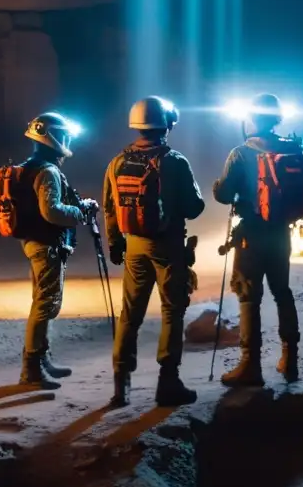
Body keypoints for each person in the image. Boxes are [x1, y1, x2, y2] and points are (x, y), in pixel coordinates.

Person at [103, 96, 205, 407]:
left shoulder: (118, 161)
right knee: (172, 312)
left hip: (133, 245)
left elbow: (109, 206)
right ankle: (168, 383)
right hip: (167, 245)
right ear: (166, 124)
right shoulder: (173, 161)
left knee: (129, 315)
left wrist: (116, 244)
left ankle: (121, 388)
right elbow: (194, 206)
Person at [212, 93, 303, 387]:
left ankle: (250, 365)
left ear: (252, 119)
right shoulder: (293, 149)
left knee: (248, 296)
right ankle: (290, 359)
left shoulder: (241, 153)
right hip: (282, 233)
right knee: (282, 292)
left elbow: (223, 195)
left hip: (251, 236)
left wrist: (217, 186)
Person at [17, 112, 98, 389]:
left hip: (33, 242)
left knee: (43, 302)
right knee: (45, 305)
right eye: (64, 135)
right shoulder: (48, 171)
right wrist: (80, 211)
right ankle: (32, 369)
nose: (67, 141)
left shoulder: (31, 166)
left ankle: (41, 359)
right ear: (52, 137)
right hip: (46, 245)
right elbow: (51, 211)